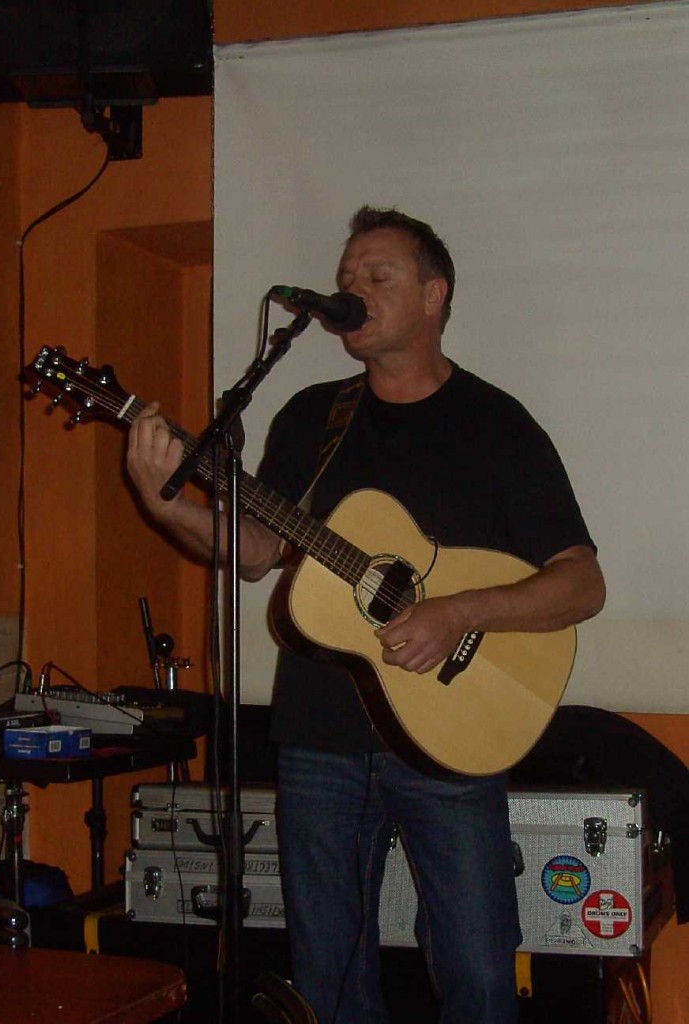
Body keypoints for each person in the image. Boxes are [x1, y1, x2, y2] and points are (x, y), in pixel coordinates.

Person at [126, 206, 606, 1024]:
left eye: (376, 277)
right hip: (319, 741)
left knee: (480, 976)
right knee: (328, 979)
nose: (351, 290)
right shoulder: (314, 418)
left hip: (452, 745)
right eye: (346, 279)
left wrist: (455, 611)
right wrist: (162, 502)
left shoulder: (497, 425)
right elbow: (253, 552)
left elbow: (579, 584)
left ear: (433, 295)